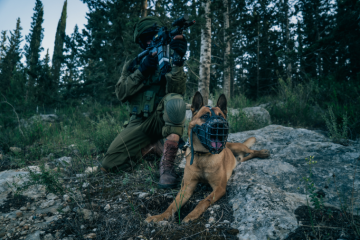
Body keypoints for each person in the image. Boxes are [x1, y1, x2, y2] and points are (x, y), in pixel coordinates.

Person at [101, 16, 188, 189]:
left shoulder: (169, 57)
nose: (150, 42)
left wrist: (178, 60)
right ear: (141, 43)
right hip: (138, 123)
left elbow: (178, 92)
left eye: (153, 37)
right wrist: (142, 70)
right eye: (146, 39)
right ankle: (151, 147)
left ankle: (167, 167)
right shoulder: (133, 64)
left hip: (160, 120)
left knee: (175, 101)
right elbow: (121, 93)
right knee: (109, 165)